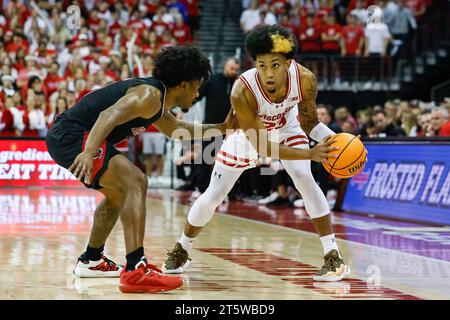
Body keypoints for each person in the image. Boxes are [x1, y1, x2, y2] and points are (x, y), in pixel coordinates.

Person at [163, 25, 350, 282]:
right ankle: (182, 247)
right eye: (262, 66)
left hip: (288, 126)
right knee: (214, 194)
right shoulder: (242, 90)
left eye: (275, 65)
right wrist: (311, 153)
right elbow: (263, 147)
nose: (268, 73)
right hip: (250, 136)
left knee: (304, 179)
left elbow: (309, 124)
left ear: (289, 63)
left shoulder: (305, 79)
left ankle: (333, 256)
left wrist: (335, 141)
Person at [45, 46, 237, 293]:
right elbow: (108, 115)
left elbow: (175, 130)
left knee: (119, 195)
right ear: (183, 84)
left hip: (72, 136)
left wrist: (222, 127)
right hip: (73, 135)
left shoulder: (156, 101)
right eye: (197, 85)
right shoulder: (149, 95)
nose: (198, 92)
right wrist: (88, 151)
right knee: (136, 181)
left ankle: (91, 260)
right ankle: (136, 269)